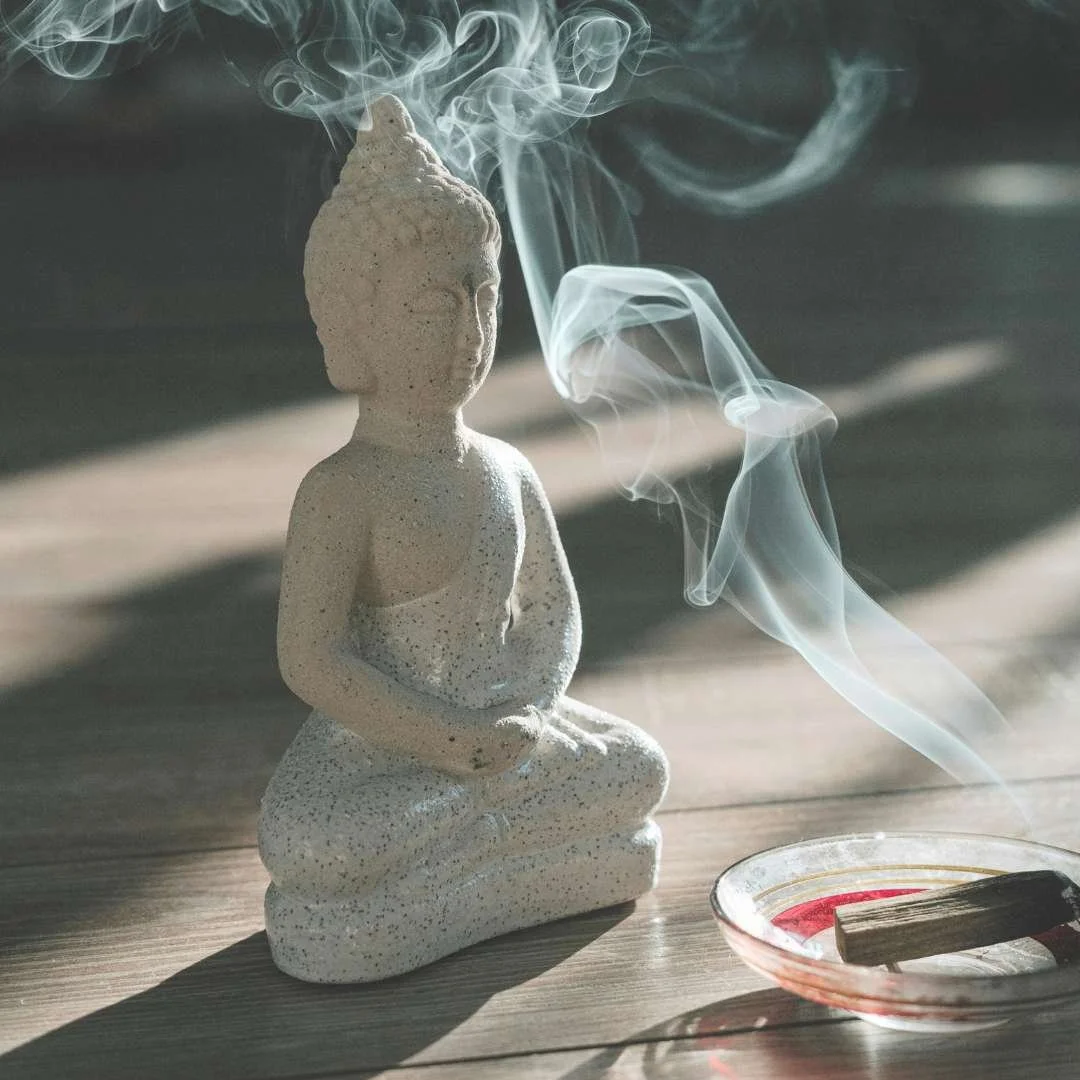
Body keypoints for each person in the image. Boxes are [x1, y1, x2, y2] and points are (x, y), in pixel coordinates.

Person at [258, 96, 668, 983]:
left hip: (513, 725)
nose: (465, 331)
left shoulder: (507, 468)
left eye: (483, 297)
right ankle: (477, 851)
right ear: (351, 329)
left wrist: (526, 704)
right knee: (314, 844)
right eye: (431, 306)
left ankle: (469, 856)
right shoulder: (342, 491)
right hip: (382, 752)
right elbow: (314, 662)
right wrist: (450, 743)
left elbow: (551, 607)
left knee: (635, 767)